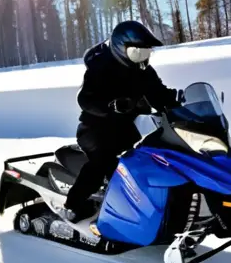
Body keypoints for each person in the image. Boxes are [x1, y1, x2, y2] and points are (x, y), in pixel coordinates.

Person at [62, 20, 182, 223]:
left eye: (146, 53)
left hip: (128, 128)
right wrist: (110, 106)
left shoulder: (143, 71)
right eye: (138, 53)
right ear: (121, 48)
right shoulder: (100, 67)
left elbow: (158, 93)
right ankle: (72, 206)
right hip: (96, 129)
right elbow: (85, 98)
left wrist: (177, 104)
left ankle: (154, 209)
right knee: (102, 162)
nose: (142, 59)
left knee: (154, 157)